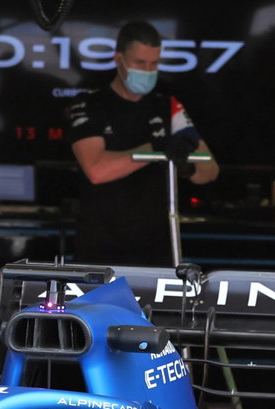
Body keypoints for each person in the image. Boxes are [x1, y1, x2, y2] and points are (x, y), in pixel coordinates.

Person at [67, 20, 218, 267]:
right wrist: (156, 149)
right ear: (119, 59)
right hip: (100, 250)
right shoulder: (88, 104)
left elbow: (210, 170)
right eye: (140, 63)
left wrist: (187, 166)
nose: (147, 71)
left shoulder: (168, 106)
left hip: (157, 248)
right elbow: (96, 170)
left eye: (153, 64)